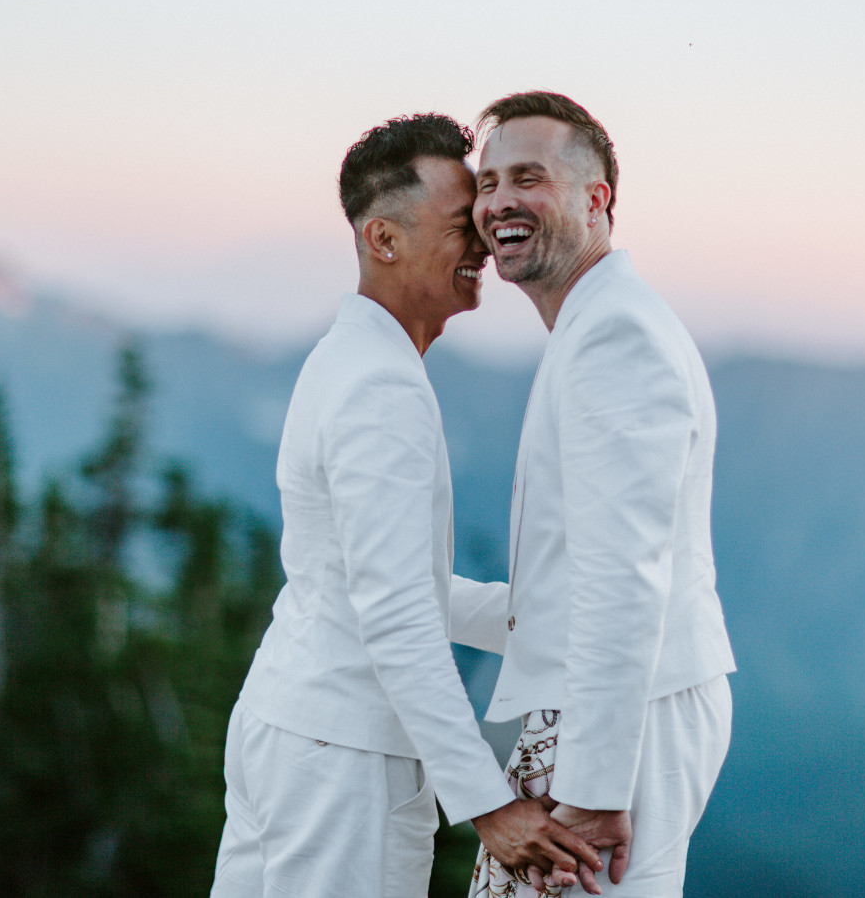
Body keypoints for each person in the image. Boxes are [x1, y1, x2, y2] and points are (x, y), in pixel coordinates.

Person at [209, 113, 599, 898]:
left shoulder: (345, 359)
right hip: (343, 764)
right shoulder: (380, 386)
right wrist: (488, 802)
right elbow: (394, 615)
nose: (485, 245)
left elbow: (383, 583)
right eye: (463, 225)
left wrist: (547, 619)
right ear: (383, 239)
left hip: (290, 731)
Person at [468, 92, 737, 897]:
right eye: (486, 184)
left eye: (528, 177)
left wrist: (594, 789)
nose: (498, 202)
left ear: (597, 200)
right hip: (618, 710)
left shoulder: (615, 334)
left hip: (626, 721)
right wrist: (407, 595)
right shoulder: (593, 325)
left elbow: (624, 577)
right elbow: (565, 593)